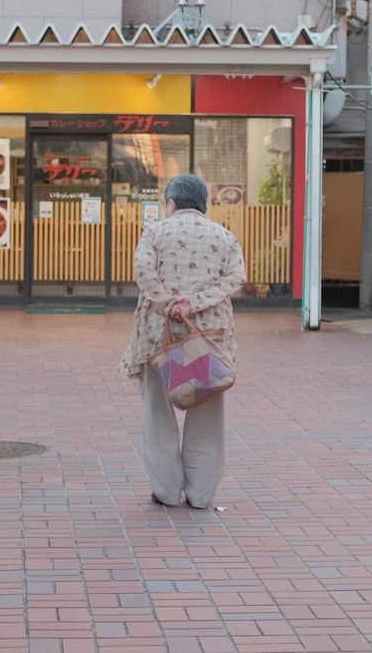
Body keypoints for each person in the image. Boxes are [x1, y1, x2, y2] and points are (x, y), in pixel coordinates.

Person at [119, 174, 246, 509]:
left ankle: (166, 491)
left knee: (157, 411)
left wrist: (168, 304)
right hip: (207, 336)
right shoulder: (224, 236)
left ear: (171, 203)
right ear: (203, 204)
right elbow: (236, 276)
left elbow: (142, 270)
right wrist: (194, 303)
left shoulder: (156, 232)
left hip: (156, 335)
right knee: (206, 407)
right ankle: (201, 493)